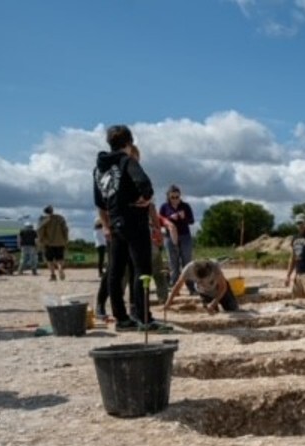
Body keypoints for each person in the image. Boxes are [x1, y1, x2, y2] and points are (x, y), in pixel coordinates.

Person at [93, 124, 157, 331]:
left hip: (115, 221)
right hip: (134, 220)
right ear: (129, 143)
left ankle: (121, 318)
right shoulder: (126, 161)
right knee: (142, 269)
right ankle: (143, 316)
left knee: (115, 270)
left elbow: (99, 201)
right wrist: (145, 199)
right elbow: (145, 184)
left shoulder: (98, 168)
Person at [165, 259, 239, 314]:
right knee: (212, 312)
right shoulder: (188, 269)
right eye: (199, 280)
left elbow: (223, 287)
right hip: (204, 292)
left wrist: (214, 302)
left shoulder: (215, 267)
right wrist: (168, 302)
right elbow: (178, 285)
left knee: (233, 309)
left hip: (219, 290)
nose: (202, 282)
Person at [159, 185, 196, 295]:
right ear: (168, 197)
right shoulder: (164, 207)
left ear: (180, 196)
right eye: (172, 197)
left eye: (177, 197)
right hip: (169, 237)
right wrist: (170, 218)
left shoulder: (186, 206)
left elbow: (192, 221)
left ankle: (191, 288)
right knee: (173, 263)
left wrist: (184, 217)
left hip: (185, 236)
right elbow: (160, 221)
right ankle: (175, 289)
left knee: (187, 262)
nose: (175, 199)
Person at [36, 205, 69, 281]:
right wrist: (66, 239)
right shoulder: (60, 218)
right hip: (60, 242)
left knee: (49, 260)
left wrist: (41, 240)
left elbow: (39, 230)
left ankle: (53, 275)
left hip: (48, 243)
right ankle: (60, 268)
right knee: (60, 258)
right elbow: (65, 229)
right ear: (52, 210)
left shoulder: (43, 219)